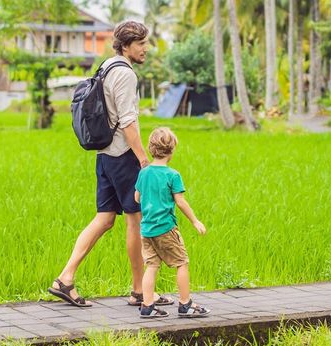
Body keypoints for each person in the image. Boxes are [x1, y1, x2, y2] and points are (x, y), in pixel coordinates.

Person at [48, 21, 172, 308]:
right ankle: (140, 292)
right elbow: (128, 121)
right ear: (126, 45)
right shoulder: (126, 75)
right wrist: (143, 159)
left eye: (146, 42)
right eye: (141, 43)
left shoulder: (106, 66)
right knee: (136, 221)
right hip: (123, 156)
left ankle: (65, 278)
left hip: (104, 155)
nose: (146, 48)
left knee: (104, 219)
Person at [134, 127, 210, 318]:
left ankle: (147, 306)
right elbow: (181, 202)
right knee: (182, 263)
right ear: (172, 150)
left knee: (151, 266)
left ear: (151, 148)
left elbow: (137, 198)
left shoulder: (143, 173)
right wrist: (195, 221)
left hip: (146, 230)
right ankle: (185, 304)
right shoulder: (172, 175)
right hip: (166, 229)